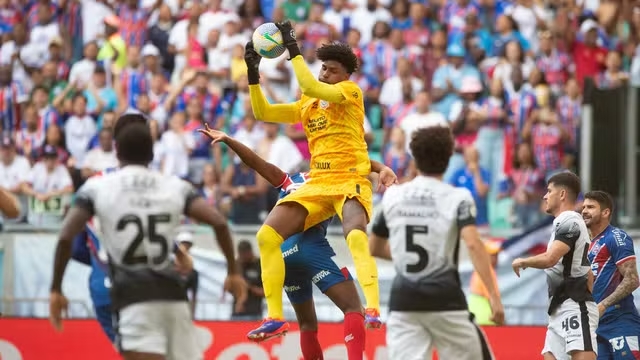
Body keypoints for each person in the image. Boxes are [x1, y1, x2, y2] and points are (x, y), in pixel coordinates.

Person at [49, 113, 246, 360]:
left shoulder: (97, 187)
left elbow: (66, 236)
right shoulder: (174, 185)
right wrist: (233, 271)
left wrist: (56, 288)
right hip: (173, 296)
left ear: (117, 151)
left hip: (132, 296)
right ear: (152, 153)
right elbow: (218, 222)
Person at [199, 125, 397, 357]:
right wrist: (382, 167)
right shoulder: (334, 180)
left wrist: (228, 140)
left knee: (306, 325)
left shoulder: (288, 180)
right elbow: (359, 161)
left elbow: (257, 163)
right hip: (310, 249)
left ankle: (275, 319)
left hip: (282, 256)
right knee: (353, 309)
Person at [244, 20, 383, 340]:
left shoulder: (350, 92)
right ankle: (275, 317)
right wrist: (253, 74)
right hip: (318, 182)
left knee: (355, 237)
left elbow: (309, 86)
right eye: (323, 68)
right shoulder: (307, 104)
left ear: (345, 75)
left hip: (350, 178)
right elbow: (263, 113)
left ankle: (373, 307)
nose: (325, 73)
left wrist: (292, 47)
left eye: (332, 70)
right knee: (266, 237)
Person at [369, 126, 504, 360]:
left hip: (404, 301)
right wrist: (493, 296)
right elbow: (473, 244)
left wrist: (403, 255)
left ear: (415, 159)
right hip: (446, 300)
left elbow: (374, 247)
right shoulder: (458, 197)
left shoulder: (394, 196)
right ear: (449, 156)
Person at [512, 171, 598, 360]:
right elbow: (588, 271)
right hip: (558, 308)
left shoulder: (569, 219)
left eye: (549, 191)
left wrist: (524, 261)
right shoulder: (565, 223)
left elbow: (550, 258)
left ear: (562, 195)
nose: (544, 196)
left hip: (574, 306)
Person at [582, 190, 640, 360]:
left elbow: (632, 280)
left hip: (620, 322)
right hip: (595, 325)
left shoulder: (616, 236)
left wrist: (603, 306)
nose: (584, 210)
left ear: (606, 212)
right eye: (583, 206)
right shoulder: (585, 243)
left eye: (591, 207)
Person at [468, 240, 502, 326]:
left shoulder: (479, 270)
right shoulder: (488, 272)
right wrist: (501, 319)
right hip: (486, 318)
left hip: (476, 317)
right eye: (492, 255)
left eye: (496, 255)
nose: (496, 258)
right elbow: (491, 298)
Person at [231, 240, 265, 321]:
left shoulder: (260, 265)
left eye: (244, 255)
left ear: (249, 252)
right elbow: (230, 287)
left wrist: (249, 287)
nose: (242, 258)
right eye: (240, 255)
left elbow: (266, 292)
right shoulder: (236, 265)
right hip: (237, 313)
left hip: (254, 314)